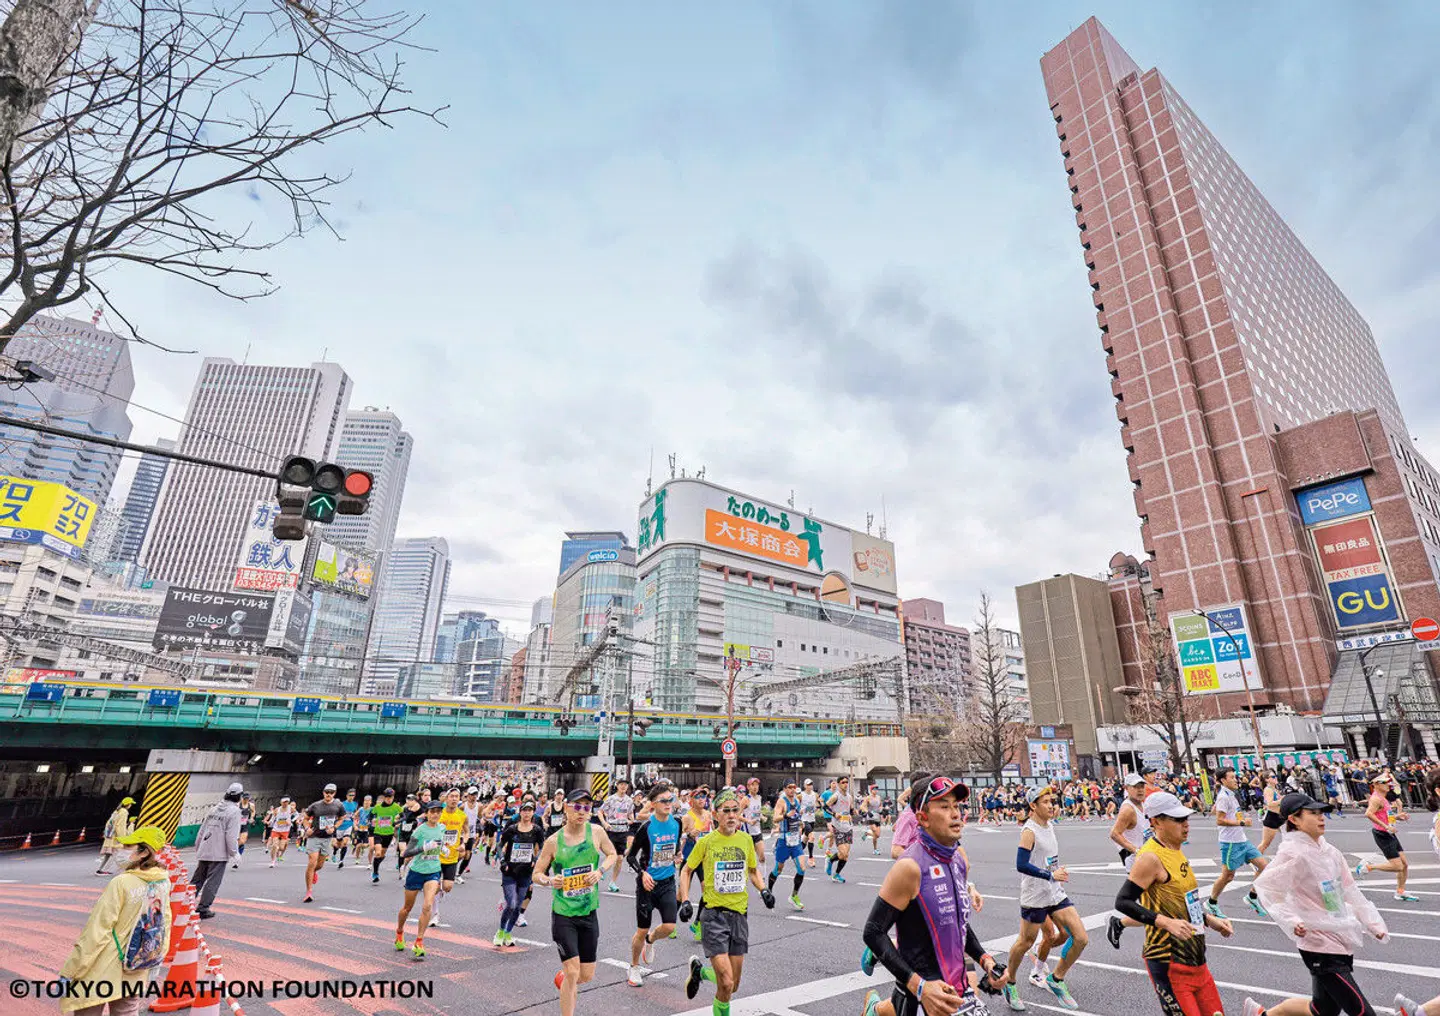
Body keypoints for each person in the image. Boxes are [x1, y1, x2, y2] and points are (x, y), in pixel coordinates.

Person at [860, 775, 1003, 1016]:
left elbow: (957, 924)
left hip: (957, 989)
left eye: (956, 806)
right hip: (921, 998)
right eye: (945, 807)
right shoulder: (910, 867)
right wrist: (920, 987)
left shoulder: (957, 860)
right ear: (923, 819)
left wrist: (986, 961)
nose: (955, 813)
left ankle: (875, 1011)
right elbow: (873, 932)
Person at [1242, 792, 1388, 1016]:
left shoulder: (1329, 851)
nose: (1321, 818)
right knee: (1362, 1013)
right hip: (1317, 943)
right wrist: (1291, 921)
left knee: (1322, 1010)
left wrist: (1372, 922)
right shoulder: (1293, 854)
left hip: (1339, 935)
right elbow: (1268, 888)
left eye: (1321, 813)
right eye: (1313, 813)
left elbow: (1349, 889)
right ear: (1294, 819)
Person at [1113, 791, 1234, 1016]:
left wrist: (1210, 920)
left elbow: (1184, 901)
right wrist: (1166, 923)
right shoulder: (1150, 857)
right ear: (1156, 821)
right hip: (1169, 962)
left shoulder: (1176, 850)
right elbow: (1123, 901)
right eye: (1177, 819)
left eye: (1186, 818)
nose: (1185, 824)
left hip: (1197, 962)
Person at [679, 788, 775, 1016]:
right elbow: (687, 870)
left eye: (735, 810)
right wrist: (685, 900)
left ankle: (700, 972)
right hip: (713, 916)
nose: (732, 815)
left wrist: (763, 890)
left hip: (739, 916)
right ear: (715, 814)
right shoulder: (707, 842)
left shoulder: (745, 840)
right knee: (725, 981)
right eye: (726, 811)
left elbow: (753, 871)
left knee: (733, 985)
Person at [59, 826, 173, 1016]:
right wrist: (155, 960)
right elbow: (164, 922)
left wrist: (71, 970)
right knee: (126, 1010)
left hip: (105, 964)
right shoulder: (163, 881)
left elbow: (97, 931)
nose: (121, 850)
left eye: (128, 846)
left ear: (144, 851)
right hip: (137, 962)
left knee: (88, 1009)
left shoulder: (122, 883)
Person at [533, 788, 621, 1016]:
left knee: (586, 975)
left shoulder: (597, 833)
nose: (582, 811)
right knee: (573, 972)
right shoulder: (554, 841)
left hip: (588, 912)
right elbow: (536, 874)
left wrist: (601, 871)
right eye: (577, 806)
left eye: (586, 807)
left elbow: (612, 854)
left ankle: (564, 978)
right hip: (563, 914)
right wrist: (551, 881)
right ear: (567, 809)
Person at [999, 785, 1088, 1011]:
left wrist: (1056, 871)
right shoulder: (1029, 831)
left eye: (1052, 801)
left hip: (1055, 892)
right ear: (1032, 806)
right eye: (1046, 802)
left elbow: (1048, 858)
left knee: (1079, 937)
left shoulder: (1049, 825)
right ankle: (1010, 983)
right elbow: (1021, 864)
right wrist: (1050, 874)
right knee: (1025, 942)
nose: (1051, 805)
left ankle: (1055, 979)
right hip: (1035, 896)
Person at [625, 783, 682, 985]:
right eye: (663, 801)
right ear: (653, 804)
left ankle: (651, 940)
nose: (668, 804)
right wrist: (642, 874)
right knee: (641, 929)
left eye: (671, 800)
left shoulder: (677, 823)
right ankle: (633, 967)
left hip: (667, 882)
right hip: (647, 885)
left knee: (668, 926)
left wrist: (677, 856)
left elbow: (674, 848)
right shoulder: (646, 827)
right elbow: (630, 856)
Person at [1206, 768, 1269, 919]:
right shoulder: (1223, 796)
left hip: (1243, 841)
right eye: (1232, 777)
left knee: (1265, 868)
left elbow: (1219, 812)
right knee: (1228, 876)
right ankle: (1212, 902)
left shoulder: (1230, 794)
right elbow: (1219, 820)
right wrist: (1241, 822)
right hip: (1230, 844)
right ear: (1223, 780)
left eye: (1235, 777)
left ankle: (1252, 897)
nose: (1236, 780)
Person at [1353, 773, 1419, 901]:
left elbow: (1384, 815)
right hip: (1382, 834)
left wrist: (1398, 817)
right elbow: (1369, 814)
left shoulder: (1383, 798)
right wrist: (1387, 826)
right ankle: (1368, 866)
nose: (1388, 784)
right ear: (1376, 784)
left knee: (1404, 864)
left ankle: (1400, 892)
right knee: (1398, 866)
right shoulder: (1376, 799)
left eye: (1388, 782)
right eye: (1384, 782)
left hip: (1389, 833)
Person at [1106, 772, 1153, 947]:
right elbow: (1114, 834)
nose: (1140, 790)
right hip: (1135, 862)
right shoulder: (1127, 809)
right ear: (1127, 789)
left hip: (1149, 860)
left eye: (1142, 786)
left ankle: (1119, 923)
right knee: (1152, 908)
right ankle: (1120, 923)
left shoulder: (1143, 805)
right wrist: (1135, 850)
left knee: (1154, 906)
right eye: (1136, 787)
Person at [395, 800, 445, 959]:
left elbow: (444, 843)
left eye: (438, 811)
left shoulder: (443, 828)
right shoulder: (419, 831)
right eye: (432, 811)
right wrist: (424, 847)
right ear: (427, 813)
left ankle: (419, 941)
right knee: (407, 908)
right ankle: (399, 931)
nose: (435, 814)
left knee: (427, 905)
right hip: (416, 871)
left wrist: (444, 847)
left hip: (433, 871)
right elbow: (407, 852)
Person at [495, 799, 545, 947]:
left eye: (530, 810)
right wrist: (503, 861)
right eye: (525, 810)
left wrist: (536, 859)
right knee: (511, 904)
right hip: (510, 870)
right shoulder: (512, 829)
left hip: (526, 872)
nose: (527, 813)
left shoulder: (536, 830)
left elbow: (542, 847)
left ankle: (509, 933)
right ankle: (500, 931)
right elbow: (499, 845)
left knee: (517, 907)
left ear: (533, 813)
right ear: (520, 812)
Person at [191, 781, 243, 919]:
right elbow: (231, 836)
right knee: (213, 882)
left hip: (205, 849)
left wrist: (198, 847)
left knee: (197, 880)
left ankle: (186, 903)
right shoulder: (235, 812)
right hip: (219, 853)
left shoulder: (213, 809)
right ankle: (203, 908)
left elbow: (201, 831)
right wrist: (234, 853)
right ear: (239, 796)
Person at [767, 778, 809, 910]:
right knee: (778, 869)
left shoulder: (796, 800)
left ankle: (794, 896)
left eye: (794, 787)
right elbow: (775, 818)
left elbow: (795, 817)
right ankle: (768, 891)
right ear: (785, 789)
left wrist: (801, 823)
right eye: (789, 787)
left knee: (802, 868)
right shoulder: (781, 801)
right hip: (784, 840)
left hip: (795, 841)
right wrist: (786, 815)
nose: (792, 789)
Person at [302, 782, 347, 903]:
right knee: (312, 862)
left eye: (331, 792)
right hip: (314, 837)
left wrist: (334, 827)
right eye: (327, 792)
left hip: (327, 838)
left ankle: (314, 872)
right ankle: (309, 892)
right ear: (323, 793)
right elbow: (305, 818)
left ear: (334, 793)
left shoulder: (338, 805)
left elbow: (342, 818)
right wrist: (307, 829)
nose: (329, 794)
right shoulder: (315, 806)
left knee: (319, 865)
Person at [434, 787, 470, 926]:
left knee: (447, 886)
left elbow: (466, 832)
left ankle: (441, 892)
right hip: (436, 855)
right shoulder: (439, 813)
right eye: (452, 796)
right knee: (435, 886)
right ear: (446, 798)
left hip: (452, 856)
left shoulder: (462, 816)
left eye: (457, 796)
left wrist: (464, 843)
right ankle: (435, 914)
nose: (454, 799)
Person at [600, 778, 637, 892]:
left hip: (623, 831)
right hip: (611, 830)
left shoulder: (629, 800)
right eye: (621, 785)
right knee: (611, 855)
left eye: (625, 785)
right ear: (617, 786)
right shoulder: (611, 799)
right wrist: (605, 823)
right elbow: (600, 812)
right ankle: (602, 870)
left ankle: (613, 882)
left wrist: (631, 820)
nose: (623, 787)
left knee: (620, 858)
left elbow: (630, 814)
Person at [825, 775, 857, 883]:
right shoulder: (835, 796)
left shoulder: (849, 797)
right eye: (843, 782)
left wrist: (854, 812)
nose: (845, 784)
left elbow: (851, 810)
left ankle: (836, 874)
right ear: (838, 784)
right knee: (842, 853)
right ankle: (830, 860)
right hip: (838, 827)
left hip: (848, 827)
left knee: (845, 856)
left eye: (846, 782)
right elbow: (825, 806)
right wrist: (834, 814)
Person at [370, 788, 401, 884]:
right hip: (378, 833)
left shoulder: (396, 807)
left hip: (389, 834)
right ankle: (375, 873)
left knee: (382, 855)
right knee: (378, 853)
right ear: (384, 797)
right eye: (387, 797)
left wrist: (397, 822)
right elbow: (370, 815)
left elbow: (404, 816)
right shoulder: (378, 807)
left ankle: (376, 865)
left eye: (390, 797)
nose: (389, 799)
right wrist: (373, 820)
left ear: (393, 797)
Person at [96, 797, 135, 875]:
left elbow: (109, 823)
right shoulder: (124, 812)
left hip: (110, 835)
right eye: (131, 804)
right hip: (115, 837)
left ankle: (100, 869)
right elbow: (120, 825)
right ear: (128, 804)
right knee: (114, 853)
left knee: (109, 854)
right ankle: (105, 870)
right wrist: (123, 838)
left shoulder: (117, 811)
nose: (131, 805)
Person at [1257, 772, 1284, 855]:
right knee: (1265, 844)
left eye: (1275, 776)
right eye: (1272, 777)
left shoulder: (1274, 789)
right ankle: (1255, 860)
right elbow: (1270, 804)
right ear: (1267, 780)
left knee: (1290, 837)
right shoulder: (1268, 789)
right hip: (1272, 818)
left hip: (1280, 817)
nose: (1275, 778)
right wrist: (1282, 800)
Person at [742, 777, 767, 866]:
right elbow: (737, 815)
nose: (755, 787)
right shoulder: (746, 799)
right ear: (748, 787)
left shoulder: (759, 798)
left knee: (762, 858)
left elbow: (757, 812)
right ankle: (747, 878)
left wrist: (762, 817)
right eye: (753, 785)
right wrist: (748, 821)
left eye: (757, 785)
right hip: (747, 833)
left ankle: (762, 878)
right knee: (748, 860)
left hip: (757, 832)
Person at [395, 792, 422, 873]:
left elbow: (425, 815)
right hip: (403, 833)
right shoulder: (405, 809)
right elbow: (397, 817)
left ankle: (405, 865)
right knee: (402, 852)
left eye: (411, 800)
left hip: (412, 834)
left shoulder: (419, 809)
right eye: (407, 800)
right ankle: (401, 870)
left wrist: (417, 820)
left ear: (415, 801)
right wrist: (397, 822)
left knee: (409, 856)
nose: (408, 801)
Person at [268, 797, 297, 866]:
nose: (285, 803)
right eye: (284, 802)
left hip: (285, 831)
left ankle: (276, 851)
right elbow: (273, 817)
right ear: (281, 802)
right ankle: (272, 861)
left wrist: (291, 821)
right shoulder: (277, 809)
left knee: (281, 848)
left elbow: (297, 814)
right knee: (275, 845)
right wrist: (270, 822)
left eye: (287, 802)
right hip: (276, 829)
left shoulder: (290, 808)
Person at [334, 788, 358, 868]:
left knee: (345, 842)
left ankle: (341, 861)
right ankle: (334, 852)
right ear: (347, 796)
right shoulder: (342, 804)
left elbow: (355, 814)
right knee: (338, 844)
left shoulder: (355, 804)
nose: (352, 797)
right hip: (340, 826)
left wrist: (354, 822)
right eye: (350, 795)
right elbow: (337, 813)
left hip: (349, 825)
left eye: (353, 795)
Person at [234, 793, 255, 868]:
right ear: (242, 798)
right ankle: (236, 855)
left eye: (247, 798)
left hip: (245, 825)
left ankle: (236, 856)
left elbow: (253, 811)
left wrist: (252, 818)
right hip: (236, 826)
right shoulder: (237, 805)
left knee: (242, 841)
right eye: (245, 798)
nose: (246, 800)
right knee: (237, 841)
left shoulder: (251, 805)